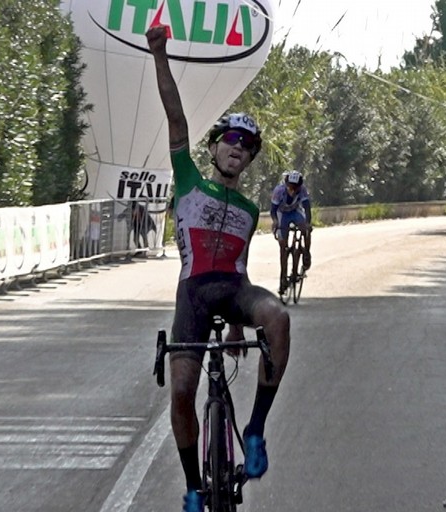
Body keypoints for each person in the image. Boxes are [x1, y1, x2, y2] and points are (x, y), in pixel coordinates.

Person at [146, 25, 291, 512]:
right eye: (232, 138)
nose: (239, 148)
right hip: (192, 295)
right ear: (213, 147)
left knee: (278, 317)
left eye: (248, 146)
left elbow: (243, 270)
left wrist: (235, 326)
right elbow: (175, 116)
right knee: (183, 392)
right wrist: (158, 53)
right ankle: (192, 486)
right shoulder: (188, 179)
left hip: (231, 289)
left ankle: (253, 431)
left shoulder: (251, 211)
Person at [270, 170, 312, 294]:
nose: (292, 190)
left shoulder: (302, 190)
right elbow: (273, 211)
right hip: (282, 214)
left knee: (305, 229)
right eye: (290, 187)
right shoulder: (279, 191)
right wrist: (275, 222)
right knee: (283, 246)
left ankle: (306, 254)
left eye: (296, 187)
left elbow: (307, 208)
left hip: (295, 212)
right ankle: (283, 278)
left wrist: (308, 224)